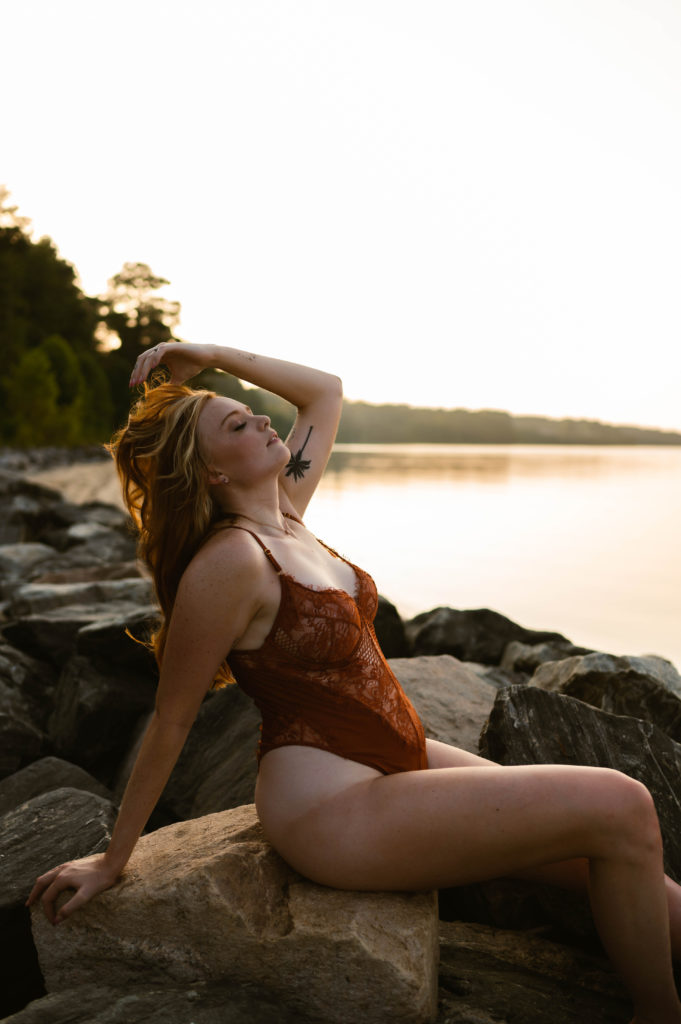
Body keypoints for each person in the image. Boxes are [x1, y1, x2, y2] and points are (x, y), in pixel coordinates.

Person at [27, 342, 681, 1024]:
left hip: (395, 756)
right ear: (211, 471)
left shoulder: (286, 513)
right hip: (331, 809)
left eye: (250, 411)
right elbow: (170, 721)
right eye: (236, 425)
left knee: (615, 856)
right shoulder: (231, 564)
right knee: (621, 802)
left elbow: (325, 391)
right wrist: (113, 859)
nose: (260, 420)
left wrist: (206, 354)